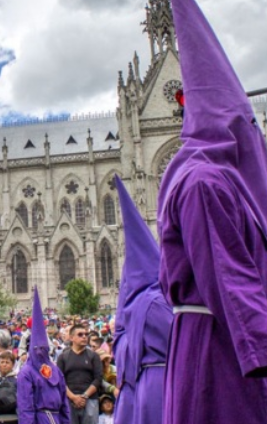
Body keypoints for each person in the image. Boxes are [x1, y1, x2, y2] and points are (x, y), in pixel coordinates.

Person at [157, 0, 267, 424]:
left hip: (225, 338)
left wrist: (262, 261)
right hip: (218, 347)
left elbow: (213, 258)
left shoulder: (202, 175)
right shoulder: (205, 180)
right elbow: (225, 277)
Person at [112, 175, 172, 424]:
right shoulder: (156, 303)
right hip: (163, 385)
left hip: (135, 390)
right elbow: (177, 339)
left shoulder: (130, 309)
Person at [17, 288, 70, 424]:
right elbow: (25, 407)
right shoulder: (26, 372)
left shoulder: (55, 370)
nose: (40, 351)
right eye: (37, 349)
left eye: (43, 348)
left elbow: (64, 402)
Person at [56, 324, 101, 424]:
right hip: (69, 401)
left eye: (86, 334)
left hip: (90, 400)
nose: (84, 337)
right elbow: (60, 380)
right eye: (80, 334)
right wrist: (73, 397)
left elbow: (98, 379)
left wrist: (84, 396)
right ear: (72, 338)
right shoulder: (63, 357)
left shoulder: (93, 356)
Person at [0, 351, 18, 416]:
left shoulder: (17, 381)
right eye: (2, 362)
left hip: (12, 415)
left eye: (7, 362)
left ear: (12, 365)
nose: (4, 365)